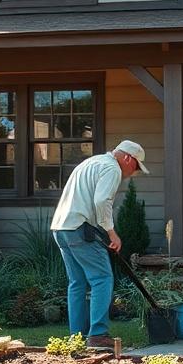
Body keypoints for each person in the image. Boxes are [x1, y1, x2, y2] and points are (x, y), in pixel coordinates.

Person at [51, 140, 149, 348]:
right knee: (102, 279)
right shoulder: (111, 168)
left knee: (77, 283)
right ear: (127, 158)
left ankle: (76, 337)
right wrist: (112, 233)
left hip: (61, 228)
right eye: (135, 167)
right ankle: (97, 334)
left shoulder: (91, 162)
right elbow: (101, 201)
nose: (133, 173)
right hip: (80, 228)